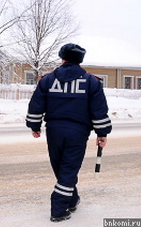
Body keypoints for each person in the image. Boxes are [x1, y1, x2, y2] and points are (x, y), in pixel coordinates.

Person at [25, 43, 112, 222]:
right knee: (68, 169)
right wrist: (102, 133)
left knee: (62, 168)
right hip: (78, 133)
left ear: (62, 58)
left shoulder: (48, 80)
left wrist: (35, 126)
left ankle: (72, 200)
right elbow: (98, 110)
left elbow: (36, 105)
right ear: (80, 60)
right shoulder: (91, 82)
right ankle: (58, 209)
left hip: (54, 131)